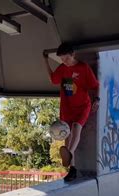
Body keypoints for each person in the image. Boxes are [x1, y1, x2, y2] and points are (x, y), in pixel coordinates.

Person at [43, 43, 100, 181]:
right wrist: (45, 61)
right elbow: (53, 80)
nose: (64, 62)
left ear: (73, 54)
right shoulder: (62, 68)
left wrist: (97, 99)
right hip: (66, 108)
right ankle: (72, 169)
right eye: (61, 59)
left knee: (76, 128)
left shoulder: (83, 68)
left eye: (66, 59)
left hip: (82, 106)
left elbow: (95, 85)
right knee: (67, 136)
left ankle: (69, 153)